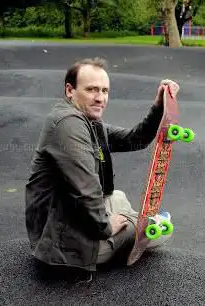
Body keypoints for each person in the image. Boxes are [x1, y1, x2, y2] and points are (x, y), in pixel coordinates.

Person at [25, 57, 177, 272]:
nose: (100, 98)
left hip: (63, 217)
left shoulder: (88, 122)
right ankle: (140, 223)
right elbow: (85, 189)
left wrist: (158, 107)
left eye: (105, 91)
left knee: (118, 197)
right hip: (61, 246)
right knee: (161, 230)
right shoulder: (68, 125)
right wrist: (105, 227)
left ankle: (132, 220)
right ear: (70, 90)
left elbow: (135, 139)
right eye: (92, 90)